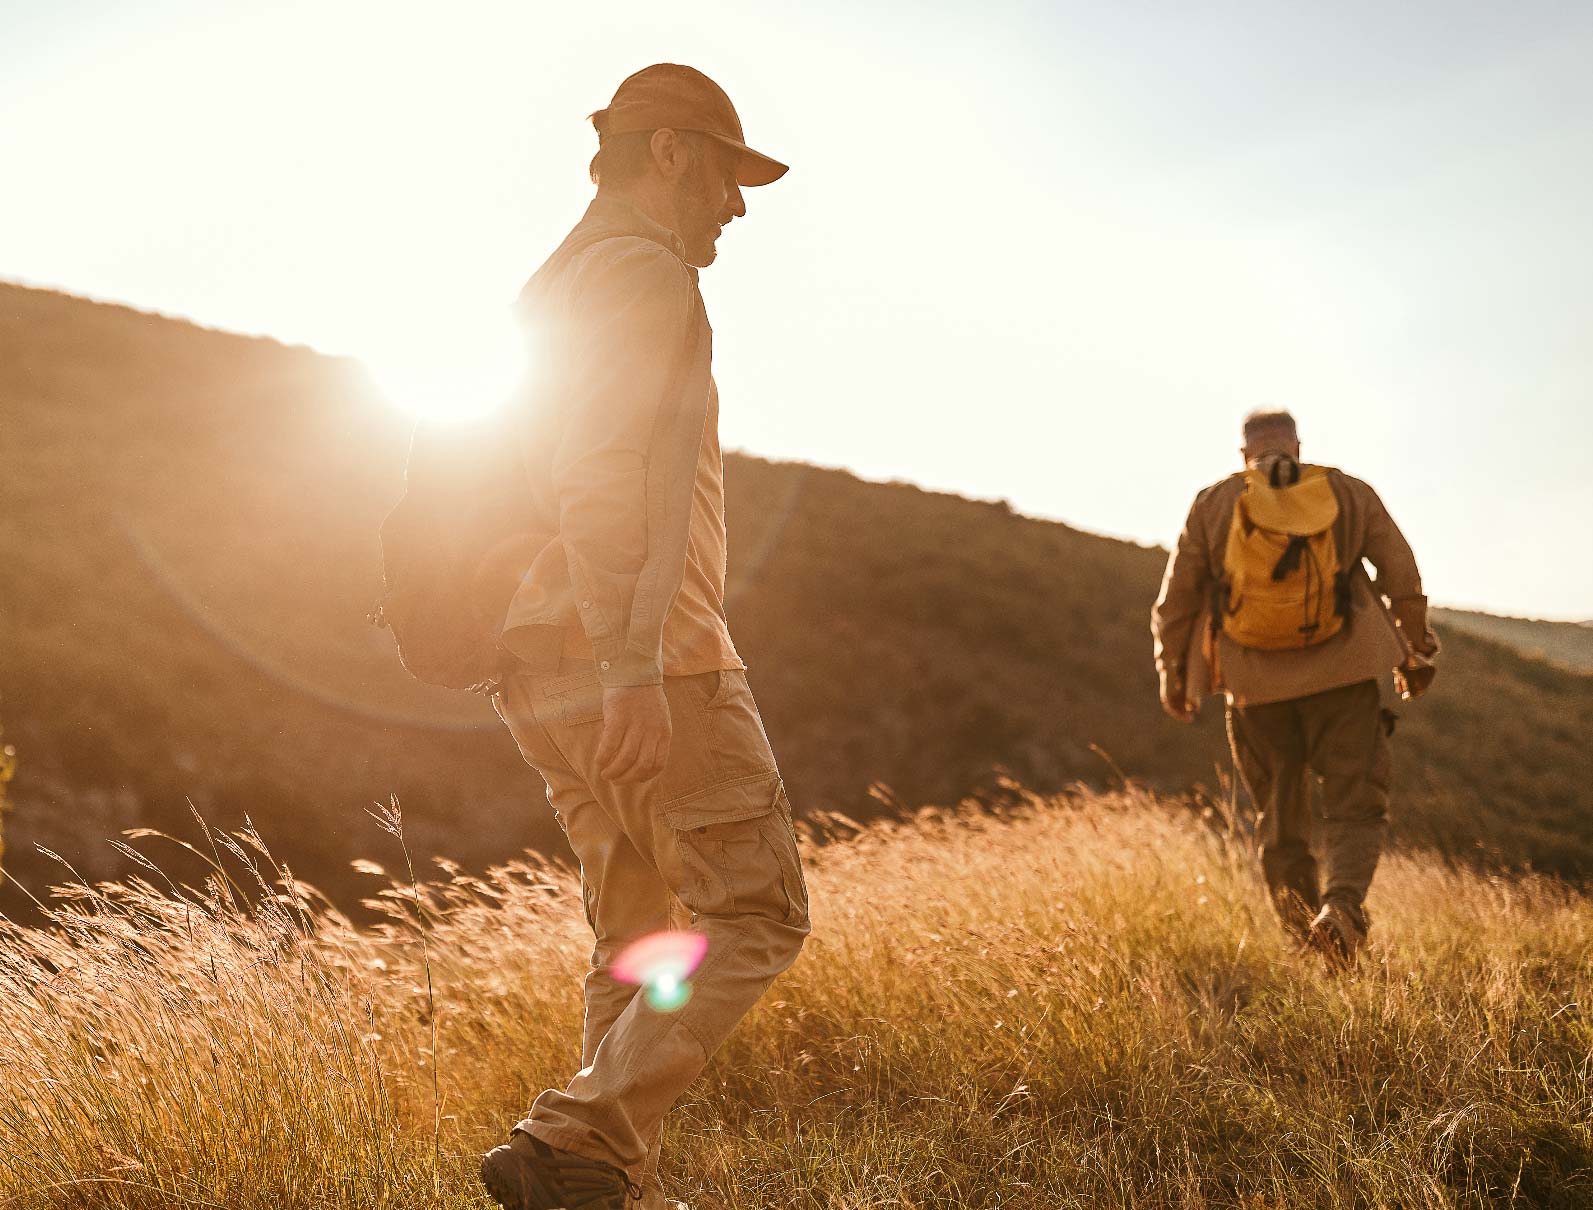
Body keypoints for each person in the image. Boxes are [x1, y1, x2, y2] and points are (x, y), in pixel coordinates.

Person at [478, 65, 810, 1210]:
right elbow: (603, 471)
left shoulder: (554, 281)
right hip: (643, 649)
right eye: (728, 169)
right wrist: (633, 668)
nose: (738, 201)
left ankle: (593, 1182)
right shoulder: (642, 274)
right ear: (669, 152)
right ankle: (577, 1133)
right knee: (760, 911)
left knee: (632, 931)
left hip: (534, 654)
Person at [1151, 409, 1437, 964]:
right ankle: (1344, 910)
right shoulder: (1347, 492)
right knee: (1356, 804)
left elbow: (1177, 600)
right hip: (1345, 676)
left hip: (1255, 689)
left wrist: (1173, 676)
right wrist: (1414, 647)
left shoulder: (1214, 503)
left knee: (1281, 823)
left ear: (1244, 454)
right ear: (1296, 446)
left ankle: (1309, 946)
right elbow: (1401, 571)